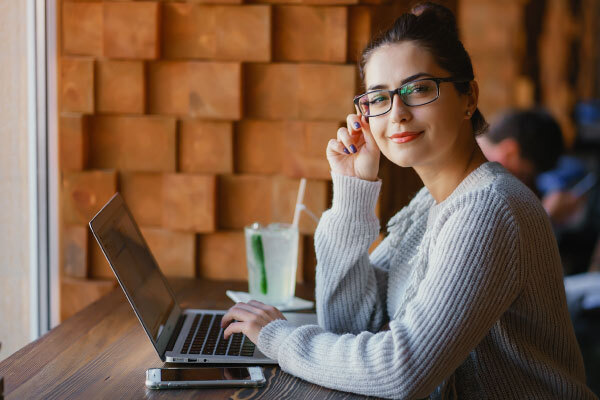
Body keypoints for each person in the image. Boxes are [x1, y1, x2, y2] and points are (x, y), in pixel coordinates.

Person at [221, 3, 596, 399]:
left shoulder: (489, 209)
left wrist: (279, 339)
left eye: (417, 89)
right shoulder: (429, 204)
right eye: (378, 98)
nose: (396, 113)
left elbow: (402, 370)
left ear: (468, 97)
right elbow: (349, 325)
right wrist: (352, 189)